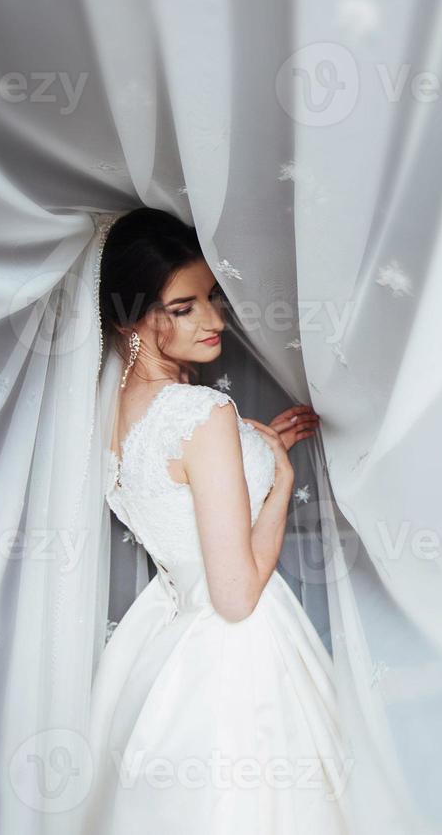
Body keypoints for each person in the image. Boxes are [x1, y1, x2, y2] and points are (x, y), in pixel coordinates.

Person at [84, 206, 352, 832]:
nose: (213, 319)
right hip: (237, 651)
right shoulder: (202, 412)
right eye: (184, 307)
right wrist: (280, 482)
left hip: (163, 635)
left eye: (211, 297)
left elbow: (179, 494)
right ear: (131, 318)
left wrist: (258, 451)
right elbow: (233, 597)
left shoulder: (109, 412)